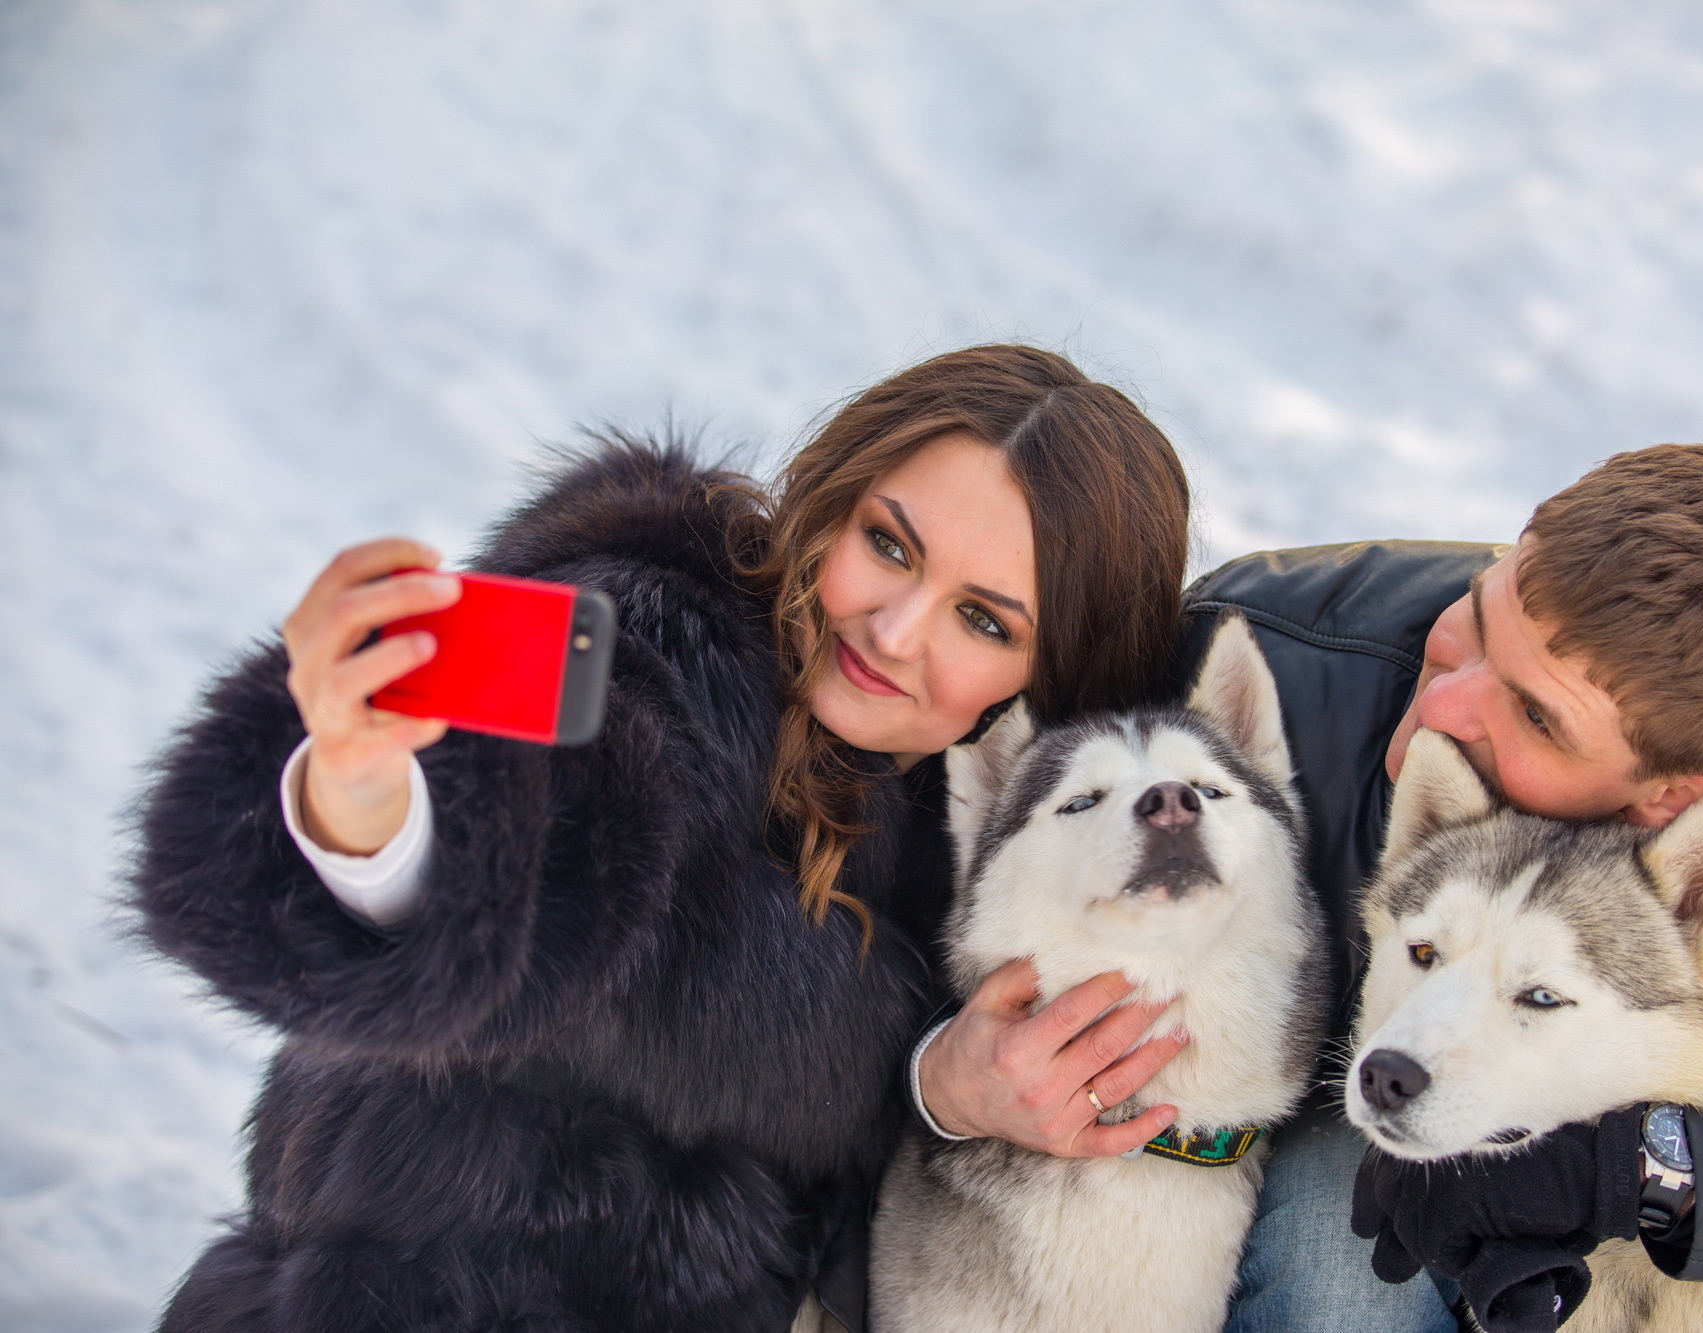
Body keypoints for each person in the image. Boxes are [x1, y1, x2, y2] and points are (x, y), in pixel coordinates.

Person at [127, 344, 1197, 1332]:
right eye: (887, 544)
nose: (894, 629)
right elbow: (518, 888)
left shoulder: (985, 837)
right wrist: (362, 795)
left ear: (1048, 674)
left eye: (984, 620)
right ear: (829, 500)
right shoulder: (651, 634)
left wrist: (943, 1086)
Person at [918, 444, 1703, 1329]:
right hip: (1322, 1119)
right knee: (1348, 1273)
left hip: (1604, 1165)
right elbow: (931, 845)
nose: (1444, 707)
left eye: (1533, 717)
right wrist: (941, 1076)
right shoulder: (1269, 650)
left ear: (1671, 797)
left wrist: (1628, 1168)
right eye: (1475, 621)